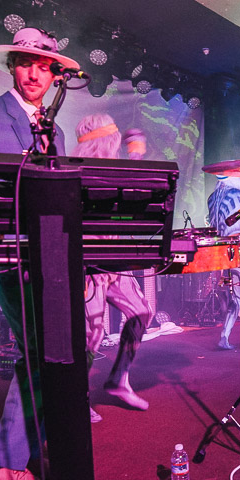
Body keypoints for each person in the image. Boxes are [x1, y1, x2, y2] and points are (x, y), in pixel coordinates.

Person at [0, 27, 79, 480]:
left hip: (49, 248)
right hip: (4, 247)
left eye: (44, 67)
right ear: (12, 66)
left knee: (59, 350)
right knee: (40, 348)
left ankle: (24, 448)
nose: (34, 74)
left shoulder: (55, 129)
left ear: (55, 76)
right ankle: (4, 463)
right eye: (26, 63)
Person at [73, 113, 154, 422]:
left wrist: (136, 158)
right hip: (89, 263)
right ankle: (76, 397)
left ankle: (119, 379)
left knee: (141, 312)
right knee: (91, 334)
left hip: (114, 259)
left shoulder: (115, 168)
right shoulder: (79, 171)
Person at [206, 174, 240, 351]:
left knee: (225, 290)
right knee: (238, 294)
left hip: (217, 251)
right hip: (236, 250)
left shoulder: (211, 198)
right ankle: (224, 336)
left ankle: (224, 331)